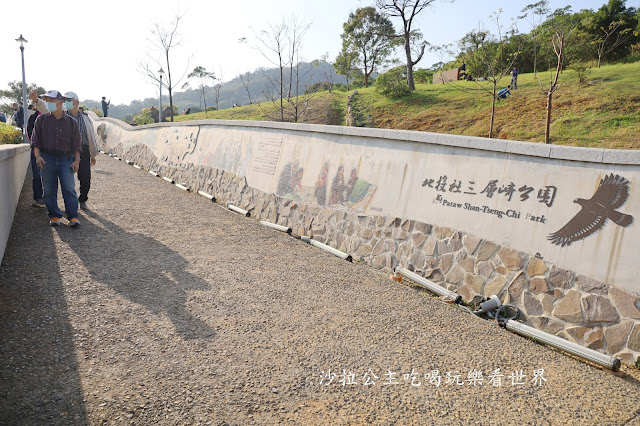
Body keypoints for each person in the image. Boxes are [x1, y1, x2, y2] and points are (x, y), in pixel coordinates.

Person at [30, 90, 82, 227]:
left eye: (51, 101)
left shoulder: (71, 122)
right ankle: (54, 215)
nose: (48, 103)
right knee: (49, 189)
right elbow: (36, 141)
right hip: (47, 158)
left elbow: (77, 143)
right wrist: (38, 156)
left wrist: (77, 160)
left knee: (69, 188)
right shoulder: (41, 120)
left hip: (66, 159)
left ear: (60, 102)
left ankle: (73, 216)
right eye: (47, 100)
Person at [63, 92, 98, 210]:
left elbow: (91, 135)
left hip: (83, 150)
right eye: (65, 100)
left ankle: (83, 199)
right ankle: (70, 203)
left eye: (69, 100)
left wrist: (92, 154)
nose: (66, 102)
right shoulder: (62, 116)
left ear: (76, 102)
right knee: (66, 177)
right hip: (66, 150)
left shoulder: (85, 118)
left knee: (85, 177)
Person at [26, 103, 44, 208]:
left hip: (48, 152)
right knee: (37, 176)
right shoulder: (33, 117)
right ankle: (38, 198)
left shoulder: (51, 117)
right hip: (35, 151)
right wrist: (35, 146)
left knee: (49, 177)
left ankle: (49, 198)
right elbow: (29, 133)